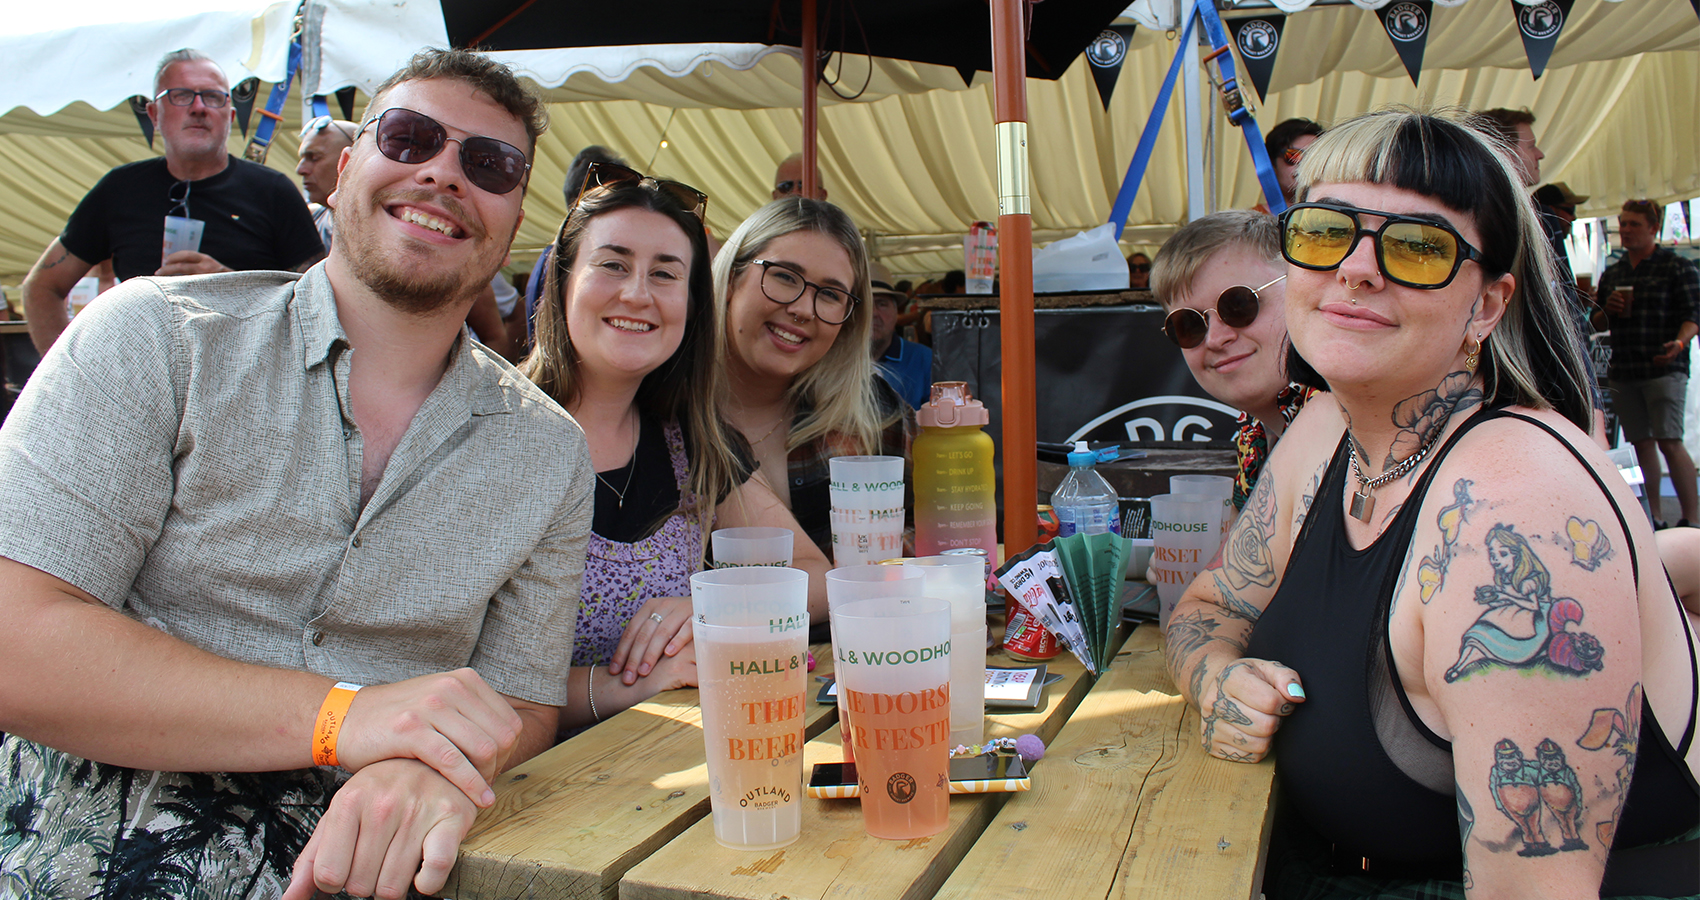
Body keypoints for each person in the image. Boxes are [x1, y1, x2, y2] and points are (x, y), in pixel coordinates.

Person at [0, 48, 592, 900]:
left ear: (512, 214)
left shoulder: (547, 453)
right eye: (411, 136)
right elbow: (18, 643)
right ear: (344, 170)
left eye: (488, 164)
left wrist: (442, 768)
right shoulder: (161, 339)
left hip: (372, 865)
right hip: (88, 852)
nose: (443, 174)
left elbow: (522, 701)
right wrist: (342, 718)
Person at [1165, 109, 1697, 898]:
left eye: (1417, 247)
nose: (1356, 268)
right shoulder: (1324, 430)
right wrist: (1216, 680)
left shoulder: (1512, 505)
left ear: (1486, 307)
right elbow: (1207, 607)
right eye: (1322, 234)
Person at [522, 162, 830, 725]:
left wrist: (719, 609)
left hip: (669, 780)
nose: (638, 294)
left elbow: (815, 575)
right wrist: (620, 684)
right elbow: (444, 675)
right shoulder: (493, 432)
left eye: (666, 275)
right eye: (613, 264)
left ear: (691, 307)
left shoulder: (693, 441)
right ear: (562, 280)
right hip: (519, 793)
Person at [20, 48, 323, 355]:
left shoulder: (273, 190)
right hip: (145, 386)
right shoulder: (120, 189)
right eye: (181, 95)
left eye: (213, 97)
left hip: (247, 384)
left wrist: (231, 286)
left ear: (230, 116)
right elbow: (41, 288)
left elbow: (319, 299)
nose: (198, 107)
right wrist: (73, 376)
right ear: (154, 114)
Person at [712, 198, 910, 581]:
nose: (803, 309)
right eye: (785, 276)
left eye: (831, 295)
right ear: (734, 275)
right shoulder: (661, 408)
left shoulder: (871, 412)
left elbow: (939, 537)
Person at [1151, 209, 1315, 511]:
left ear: (1302, 289)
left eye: (1238, 305)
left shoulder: (1348, 417)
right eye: (1189, 325)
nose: (1215, 339)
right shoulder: (1253, 432)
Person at [1592, 198, 1700, 529]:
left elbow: (1694, 314)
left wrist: (1679, 343)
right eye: (1623, 223)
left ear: (1654, 228)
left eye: (1633, 224)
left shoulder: (1676, 266)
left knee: (1669, 439)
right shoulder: (1614, 271)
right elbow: (1596, 324)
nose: (1625, 230)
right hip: (1625, 369)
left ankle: (1692, 521)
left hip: (1664, 367)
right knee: (1640, 443)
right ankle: (1652, 518)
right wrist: (1606, 308)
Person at [869, 262, 932, 409]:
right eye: (865, 305)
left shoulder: (924, 359)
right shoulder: (837, 361)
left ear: (896, 311)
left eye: (882, 304)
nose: (873, 313)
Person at [295, 114, 358, 250]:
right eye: (302, 159)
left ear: (347, 161)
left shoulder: (382, 229)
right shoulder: (310, 222)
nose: (300, 170)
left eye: (314, 157)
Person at [1261, 117, 1324, 209]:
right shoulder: (1249, 222)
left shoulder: (1335, 216)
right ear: (1272, 164)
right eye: (1293, 156)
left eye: (1313, 158)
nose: (1304, 164)